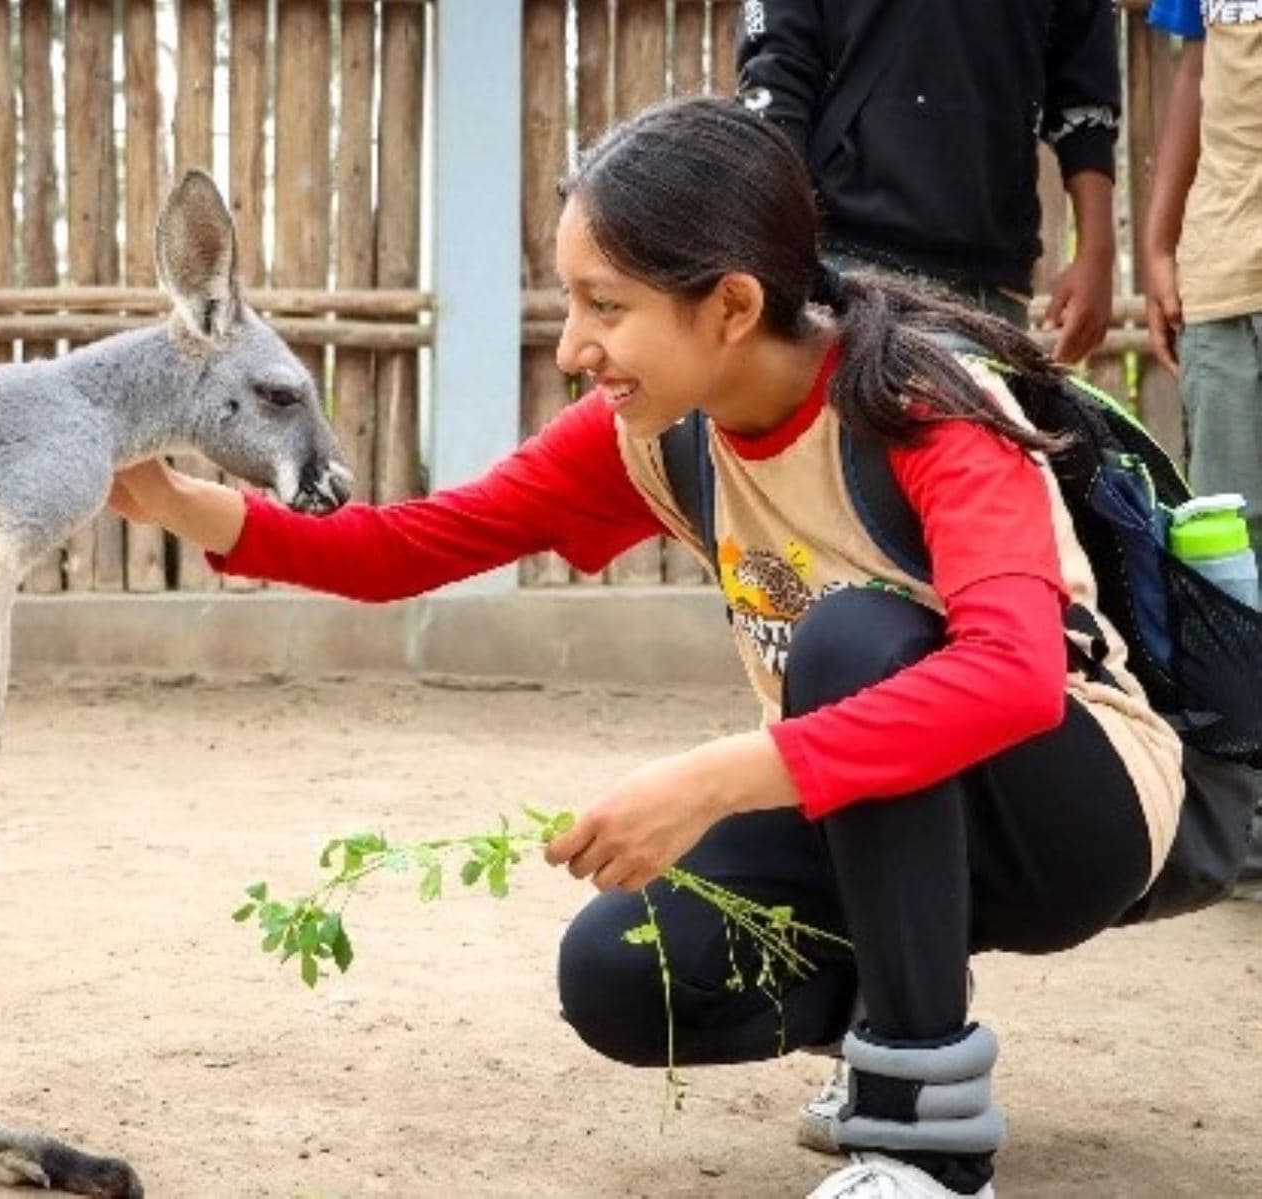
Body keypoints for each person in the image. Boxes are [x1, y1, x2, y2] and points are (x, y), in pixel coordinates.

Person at [110, 98, 1184, 1199]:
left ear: (730, 304)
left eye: (604, 306)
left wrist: (715, 778)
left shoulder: (921, 407)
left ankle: (929, 1152)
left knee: (852, 636)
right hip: (868, 817)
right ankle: (894, 1011)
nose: (575, 346)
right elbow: (415, 545)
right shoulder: (659, 429)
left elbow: (1012, 676)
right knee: (622, 973)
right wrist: (188, 505)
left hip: (1068, 815)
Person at [737, 0, 1120, 360]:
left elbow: (1083, 76)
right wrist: (777, 249)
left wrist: (1097, 250)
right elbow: (775, 73)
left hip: (989, 292)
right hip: (841, 272)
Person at [1141, 0, 1262, 898]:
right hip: (1224, 270)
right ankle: (1241, 821)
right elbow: (1193, 70)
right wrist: (1158, 238)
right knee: (1230, 554)